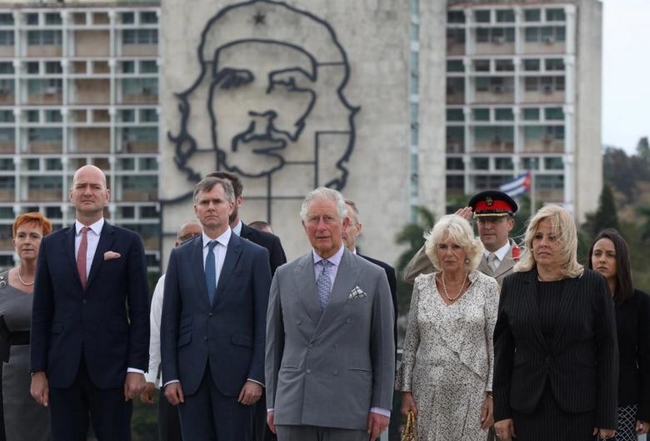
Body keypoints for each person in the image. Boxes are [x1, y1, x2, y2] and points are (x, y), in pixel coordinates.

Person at [168, 0, 359, 224]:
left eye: (288, 84)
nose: (261, 107)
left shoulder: (334, 227)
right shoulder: (180, 229)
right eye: (235, 82)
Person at [30, 165, 150, 441]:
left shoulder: (128, 242)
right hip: (62, 368)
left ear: (107, 194)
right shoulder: (50, 245)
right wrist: (38, 370)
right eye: (81, 186)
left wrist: (136, 368)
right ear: (71, 194)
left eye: (95, 187)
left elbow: (140, 310)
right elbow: (41, 312)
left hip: (114, 369)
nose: (88, 192)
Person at [265, 187, 395, 441]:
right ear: (304, 226)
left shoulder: (373, 276)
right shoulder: (284, 275)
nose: (321, 226)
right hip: (295, 405)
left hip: (350, 405)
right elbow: (273, 345)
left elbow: (384, 348)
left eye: (328, 218)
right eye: (314, 219)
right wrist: (272, 402)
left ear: (345, 223)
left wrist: (381, 405)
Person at [493, 205, 618, 441]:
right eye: (538, 237)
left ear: (568, 241)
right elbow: (503, 354)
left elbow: (608, 352)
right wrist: (501, 413)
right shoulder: (513, 285)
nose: (543, 243)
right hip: (525, 410)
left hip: (579, 411)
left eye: (553, 238)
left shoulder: (592, 285)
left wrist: (607, 416)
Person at [160, 177, 272, 441]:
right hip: (190, 379)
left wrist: (257, 377)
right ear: (195, 209)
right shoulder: (179, 256)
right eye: (204, 202)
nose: (211, 207)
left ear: (231, 206)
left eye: (217, 201)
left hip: (238, 378)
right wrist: (171, 376)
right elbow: (169, 321)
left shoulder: (256, 256)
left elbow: (264, 321)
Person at [399, 214, 499, 440]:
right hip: (427, 391)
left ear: (468, 250)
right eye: (442, 246)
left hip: (473, 394)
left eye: (456, 246)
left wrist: (492, 395)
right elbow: (411, 341)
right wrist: (406, 391)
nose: (449, 253)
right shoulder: (422, 285)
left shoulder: (487, 286)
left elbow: (495, 345)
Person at [207, 170, 286, 441]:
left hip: (253, 369)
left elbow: (279, 307)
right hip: (204, 369)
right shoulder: (195, 248)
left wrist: (262, 373)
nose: (215, 204)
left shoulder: (266, 245)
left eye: (221, 198)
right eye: (209, 199)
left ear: (236, 201)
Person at [140, 221, 202, 441]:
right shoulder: (166, 282)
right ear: (177, 245)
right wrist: (150, 375)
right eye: (187, 237)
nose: (193, 239)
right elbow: (156, 330)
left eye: (198, 235)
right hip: (174, 376)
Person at [588, 228, 650, 441]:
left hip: (624, 403)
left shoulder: (640, 304)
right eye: (597, 254)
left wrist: (646, 411)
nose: (602, 260)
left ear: (621, 260)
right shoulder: (579, 302)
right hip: (583, 402)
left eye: (610, 255)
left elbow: (647, 360)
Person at [0, 213, 52, 441]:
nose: (27, 241)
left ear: (46, 242)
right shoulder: (0, 283)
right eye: (21, 236)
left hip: (51, 372)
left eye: (34, 236)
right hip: (8, 374)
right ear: (14, 243)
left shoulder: (57, 282)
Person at [403, 190, 520, 286]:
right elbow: (413, 276)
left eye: (495, 220)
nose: (488, 226)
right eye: (482, 221)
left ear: (510, 224)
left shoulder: (525, 259)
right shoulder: (461, 257)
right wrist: (441, 235)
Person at [342, 198, 398, 348]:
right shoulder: (307, 273)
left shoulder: (382, 273)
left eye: (346, 223)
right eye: (335, 222)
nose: (341, 229)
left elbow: (388, 333)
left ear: (358, 228)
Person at [206, 171, 286, 275]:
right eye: (206, 201)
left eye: (221, 199)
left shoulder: (268, 244)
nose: (212, 207)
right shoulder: (189, 250)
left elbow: (281, 288)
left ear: (238, 201)